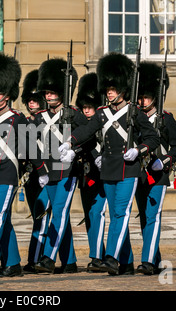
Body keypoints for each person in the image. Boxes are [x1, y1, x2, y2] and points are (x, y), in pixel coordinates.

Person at [58, 52, 160, 275]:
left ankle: (111, 257)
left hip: (129, 168)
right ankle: (126, 263)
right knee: (115, 216)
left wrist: (138, 150)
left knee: (121, 214)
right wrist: (70, 142)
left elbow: (152, 138)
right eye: (107, 88)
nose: (109, 91)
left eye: (113, 88)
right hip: (109, 169)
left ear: (123, 89)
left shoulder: (134, 112)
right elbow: (87, 130)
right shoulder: (102, 113)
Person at [0, 52, 49, 278]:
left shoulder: (17, 119)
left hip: (7, 174)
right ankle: (13, 263)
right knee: (0, 221)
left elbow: (31, 147)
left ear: (6, 95)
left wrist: (41, 171)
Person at [31, 58, 89, 274]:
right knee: (58, 212)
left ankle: (48, 257)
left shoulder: (74, 115)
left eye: (53, 92)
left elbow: (90, 138)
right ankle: (70, 261)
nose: (48, 96)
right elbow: (31, 144)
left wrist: (76, 151)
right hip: (47, 171)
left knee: (60, 212)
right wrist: (40, 169)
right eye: (46, 92)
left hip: (67, 171)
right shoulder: (39, 118)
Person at [134, 61, 176, 275]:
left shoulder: (165, 119)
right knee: (145, 218)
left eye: (146, 97)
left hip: (157, 174)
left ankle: (147, 261)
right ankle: (154, 259)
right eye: (140, 97)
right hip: (139, 174)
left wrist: (163, 161)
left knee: (153, 217)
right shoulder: (134, 119)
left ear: (155, 97)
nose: (142, 101)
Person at [74, 72, 108, 272]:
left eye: (90, 107)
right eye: (84, 107)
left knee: (98, 213)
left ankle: (100, 256)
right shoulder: (80, 124)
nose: (87, 111)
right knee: (90, 215)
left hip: (103, 174)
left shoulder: (103, 122)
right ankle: (98, 254)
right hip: (86, 174)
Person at [20, 69, 51, 273]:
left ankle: (37, 259)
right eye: (29, 100)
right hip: (32, 176)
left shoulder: (50, 120)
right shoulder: (25, 121)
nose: (31, 103)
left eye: (35, 99)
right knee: (38, 217)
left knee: (43, 218)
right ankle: (69, 259)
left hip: (48, 174)